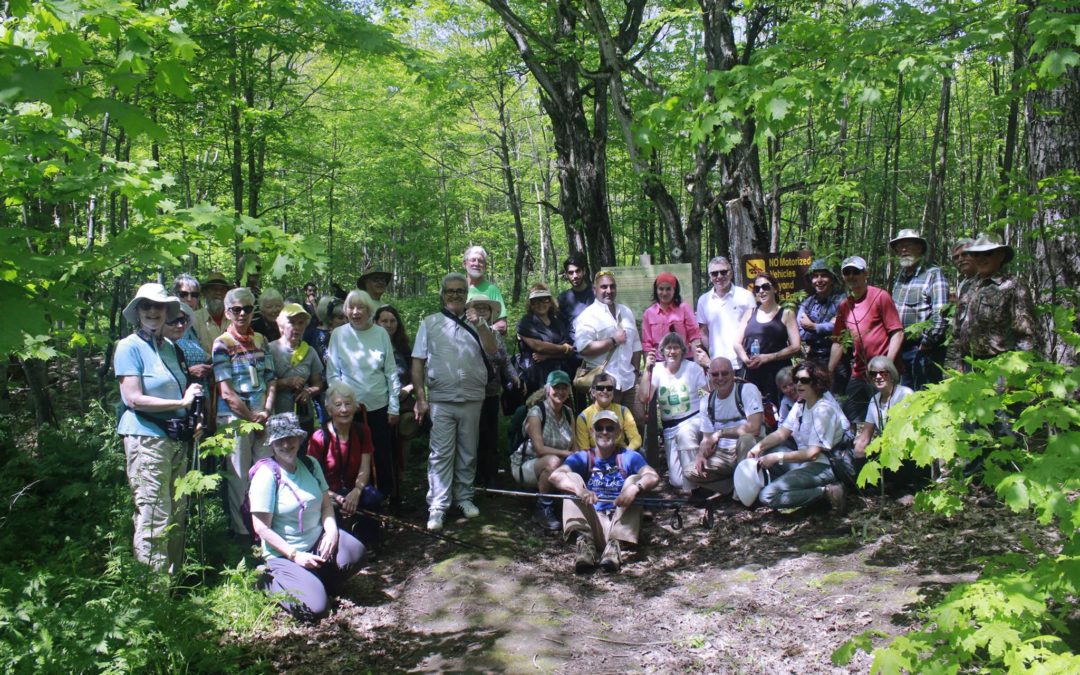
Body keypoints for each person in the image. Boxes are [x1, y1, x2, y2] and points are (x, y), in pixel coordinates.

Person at [114, 283, 203, 575]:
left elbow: (182, 394)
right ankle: (153, 594)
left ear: (167, 311)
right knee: (154, 514)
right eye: (146, 306)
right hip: (146, 440)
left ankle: (172, 586)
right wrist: (181, 401)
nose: (153, 311)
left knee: (178, 512)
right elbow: (133, 398)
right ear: (138, 311)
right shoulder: (128, 347)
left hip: (177, 439)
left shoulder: (171, 348)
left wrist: (192, 416)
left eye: (159, 306)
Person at [249, 412, 365, 622]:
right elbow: (261, 528)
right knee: (317, 609)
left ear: (299, 439)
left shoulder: (310, 464)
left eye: (291, 438)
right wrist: (295, 555)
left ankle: (315, 582)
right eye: (279, 440)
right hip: (285, 554)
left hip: (317, 542)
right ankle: (268, 580)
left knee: (356, 552)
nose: (286, 444)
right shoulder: (266, 475)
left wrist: (330, 531)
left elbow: (326, 505)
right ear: (272, 444)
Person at [412, 273, 498, 531]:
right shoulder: (430, 323)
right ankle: (437, 505)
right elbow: (418, 361)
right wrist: (420, 397)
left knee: (468, 451)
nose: (455, 295)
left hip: (472, 396)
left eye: (460, 291)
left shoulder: (478, 322)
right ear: (442, 294)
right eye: (450, 291)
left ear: (466, 294)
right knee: (440, 453)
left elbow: (493, 351)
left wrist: (481, 324)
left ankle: (464, 497)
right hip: (441, 398)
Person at [549, 410, 660, 573]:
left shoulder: (629, 456)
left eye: (610, 428)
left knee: (634, 480)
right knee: (571, 479)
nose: (604, 432)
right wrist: (580, 490)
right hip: (592, 521)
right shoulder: (582, 457)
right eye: (599, 428)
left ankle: (615, 547)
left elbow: (653, 476)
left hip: (619, 522)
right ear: (592, 432)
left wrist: (636, 488)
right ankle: (585, 546)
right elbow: (555, 476)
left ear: (618, 432)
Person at [213, 287, 277, 539]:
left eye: (247, 309)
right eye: (236, 309)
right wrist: (252, 419)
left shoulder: (261, 340)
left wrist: (266, 411)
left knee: (265, 474)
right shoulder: (221, 344)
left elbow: (271, 379)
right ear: (228, 313)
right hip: (235, 419)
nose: (242, 314)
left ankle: (265, 531)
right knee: (239, 477)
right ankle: (242, 534)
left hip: (263, 415)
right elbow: (226, 392)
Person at [325, 289, 400, 500]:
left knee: (382, 454)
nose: (356, 312)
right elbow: (333, 373)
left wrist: (393, 407)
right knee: (352, 456)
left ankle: (384, 499)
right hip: (349, 410)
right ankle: (352, 499)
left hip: (379, 407)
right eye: (351, 308)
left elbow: (391, 372)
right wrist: (341, 404)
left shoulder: (380, 333)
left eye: (361, 308)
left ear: (369, 310)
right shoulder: (339, 334)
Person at [748, 361, 851, 512]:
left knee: (767, 495)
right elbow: (782, 433)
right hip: (805, 463)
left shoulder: (823, 410)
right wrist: (759, 447)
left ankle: (827, 492)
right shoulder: (801, 404)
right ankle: (805, 496)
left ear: (817, 383)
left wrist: (778, 457)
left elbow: (813, 454)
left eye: (804, 380)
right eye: (796, 380)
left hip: (824, 466)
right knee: (766, 453)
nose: (798, 385)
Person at [829, 256, 903, 423]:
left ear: (865, 274)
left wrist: (887, 366)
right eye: (847, 272)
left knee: (887, 418)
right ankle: (856, 447)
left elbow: (897, 332)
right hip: (859, 371)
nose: (851, 276)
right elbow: (838, 341)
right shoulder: (844, 305)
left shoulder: (880, 296)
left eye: (856, 272)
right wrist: (829, 369)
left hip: (882, 373)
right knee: (850, 416)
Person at [946, 233, 1037, 372]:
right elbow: (957, 332)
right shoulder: (968, 286)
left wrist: (1016, 374)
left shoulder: (1013, 285)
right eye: (976, 255)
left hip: (1000, 367)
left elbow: (1026, 335)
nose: (981, 259)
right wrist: (952, 368)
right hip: (968, 365)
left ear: (1000, 256)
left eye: (988, 253)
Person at [306, 382, 380, 547]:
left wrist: (357, 490)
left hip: (353, 488)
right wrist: (335, 497)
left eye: (348, 404)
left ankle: (369, 544)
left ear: (355, 407)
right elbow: (313, 479)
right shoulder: (319, 438)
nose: (344, 410)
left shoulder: (362, 431)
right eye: (338, 405)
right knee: (333, 512)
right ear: (329, 409)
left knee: (373, 497)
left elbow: (365, 466)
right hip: (328, 493)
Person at [637, 333, 709, 493]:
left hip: (693, 419)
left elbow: (705, 395)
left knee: (685, 433)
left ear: (683, 351)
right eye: (668, 348)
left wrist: (707, 422)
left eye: (676, 348)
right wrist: (646, 371)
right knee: (677, 481)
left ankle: (696, 487)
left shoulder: (693, 369)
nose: (672, 352)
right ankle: (698, 476)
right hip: (670, 428)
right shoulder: (656, 370)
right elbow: (643, 397)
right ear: (662, 351)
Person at [573, 270, 644, 427]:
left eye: (612, 287)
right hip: (605, 383)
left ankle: (635, 452)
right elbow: (583, 348)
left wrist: (636, 371)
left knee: (637, 423)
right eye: (604, 287)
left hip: (629, 381)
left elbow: (636, 344)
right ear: (595, 289)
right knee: (608, 428)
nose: (609, 291)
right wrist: (613, 340)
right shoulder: (588, 316)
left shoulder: (626, 311)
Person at [685, 357, 764, 496]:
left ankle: (747, 491)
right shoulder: (707, 401)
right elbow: (707, 439)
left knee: (745, 439)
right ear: (710, 376)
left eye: (725, 373)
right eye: (715, 374)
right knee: (690, 472)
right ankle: (736, 488)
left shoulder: (746, 390)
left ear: (733, 374)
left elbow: (754, 428)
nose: (720, 378)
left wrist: (721, 433)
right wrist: (700, 454)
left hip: (748, 449)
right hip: (722, 454)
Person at [514, 370, 577, 532]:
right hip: (527, 465)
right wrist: (566, 455)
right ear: (548, 389)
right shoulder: (537, 412)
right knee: (552, 461)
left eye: (564, 387)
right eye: (556, 387)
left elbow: (574, 446)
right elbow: (539, 449)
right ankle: (543, 507)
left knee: (574, 464)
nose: (560, 392)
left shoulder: (569, 414)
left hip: (558, 465)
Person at [889, 229, 949, 390]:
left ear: (920, 249)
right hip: (901, 348)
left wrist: (926, 344)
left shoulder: (933, 273)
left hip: (924, 349)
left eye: (908, 245)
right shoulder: (900, 276)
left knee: (925, 397)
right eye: (899, 247)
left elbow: (941, 314)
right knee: (906, 396)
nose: (903, 250)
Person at [734, 273, 801, 405]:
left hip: (779, 375)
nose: (761, 291)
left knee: (781, 413)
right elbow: (736, 343)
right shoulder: (750, 313)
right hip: (753, 373)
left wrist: (769, 357)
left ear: (775, 288)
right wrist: (746, 359)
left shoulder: (787, 313)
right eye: (757, 289)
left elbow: (796, 346)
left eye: (765, 287)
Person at [374, 305, 418, 483]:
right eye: (384, 321)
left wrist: (407, 389)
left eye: (392, 321)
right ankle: (383, 480)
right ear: (376, 322)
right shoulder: (371, 347)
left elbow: (417, 374)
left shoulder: (404, 348)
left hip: (403, 402)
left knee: (404, 436)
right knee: (382, 444)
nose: (389, 325)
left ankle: (400, 478)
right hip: (379, 402)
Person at [853, 356, 914, 483]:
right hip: (887, 449)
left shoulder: (905, 394)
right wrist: (858, 453)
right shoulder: (874, 400)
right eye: (873, 374)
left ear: (891, 374)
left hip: (906, 449)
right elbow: (865, 436)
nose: (878, 377)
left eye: (883, 373)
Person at [269, 303, 324, 433]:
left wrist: (309, 392)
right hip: (278, 416)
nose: (297, 328)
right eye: (292, 323)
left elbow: (319, 383)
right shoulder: (270, 349)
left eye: (301, 323)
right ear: (281, 325)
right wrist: (286, 382)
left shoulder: (310, 351)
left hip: (303, 416)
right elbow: (263, 384)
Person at [797, 260, 847, 393]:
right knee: (814, 395)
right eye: (815, 276)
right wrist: (825, 327)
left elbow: (839, 328)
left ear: (831, 279)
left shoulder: (842, 300)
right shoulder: (808, 302)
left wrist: (814, 327)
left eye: (823, 275)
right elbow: (801, 331)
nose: (819, 280)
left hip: (837, 360)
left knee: (837, 398)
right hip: (814, 358)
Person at [696, 256, 756, 369]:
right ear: (710, 277)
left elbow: (754, 329)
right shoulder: (703, 300)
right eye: (714, 273)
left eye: (723, 272)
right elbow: (703, 332)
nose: (719, 276)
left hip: (743, 361)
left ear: (731, 274)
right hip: (716, 363)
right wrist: (712, 351)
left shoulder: (746, 296)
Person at [515, 283, 574, 396]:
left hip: (559, 375)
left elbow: (570, 351)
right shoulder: (526, 322)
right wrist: (563, 348)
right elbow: (538, 346)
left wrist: (548, 356)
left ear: (550, 302)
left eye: (544, 300)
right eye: (535, 301)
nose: (540, 304)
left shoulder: (557, 322)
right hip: (535, 376)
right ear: (530, 304)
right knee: (537, 407)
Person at [574, 372, 642, 453]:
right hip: (596, 456)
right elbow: (584, 449)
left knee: (640, 453)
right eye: (600, 388)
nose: (605, 391)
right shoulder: (583, 417)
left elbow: (636, 438)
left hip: (620, 453)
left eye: (609, 388)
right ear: (593, 392)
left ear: (613, 393)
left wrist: (626, 454)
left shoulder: (623, 411)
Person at [640, 271, 703, 357]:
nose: (664, 293)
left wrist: (697, 362)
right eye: (661, 289)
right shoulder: (649, 313)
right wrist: (649, 367)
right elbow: (647, 344)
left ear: (674, 290)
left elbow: (694, 336)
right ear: (656, 290)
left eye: (668, 289)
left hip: (684, 360)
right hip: (659, 362)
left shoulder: (684, 308)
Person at [463, 246, 508, 334]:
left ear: (485, 266)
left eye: (480, 261)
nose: (476, 264)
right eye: (473, 260)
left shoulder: (492, 289)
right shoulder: (457, 289)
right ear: (464, 264)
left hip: (487, 344)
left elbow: (502, 326)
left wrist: (481, 330)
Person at [556, 254, 594, 340]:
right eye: (571, 273)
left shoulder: (597, 293)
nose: (575, 276)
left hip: (597, 345)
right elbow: (560, 327)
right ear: (566, 274)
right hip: (574, 349)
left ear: (584, 271)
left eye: (578, 271)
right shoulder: (563, 299)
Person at [193, 270, 231, 352]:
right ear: (205, 292)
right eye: (214, 289)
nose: (218, 293)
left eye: (222, 289)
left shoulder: (233, 319)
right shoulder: (194, 319)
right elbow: (193, 350)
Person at [308, 295, 346, 366]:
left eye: (346, 317)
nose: (345, 321)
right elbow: (329, 362)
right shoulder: (322, 336)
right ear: (330, 318)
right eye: (340, 318)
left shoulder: (340, 332)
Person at [950, 237, 976, 303]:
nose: (960, 259)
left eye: (964, 254)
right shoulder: (962, 284)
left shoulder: (988, 280)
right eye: (956, 257)